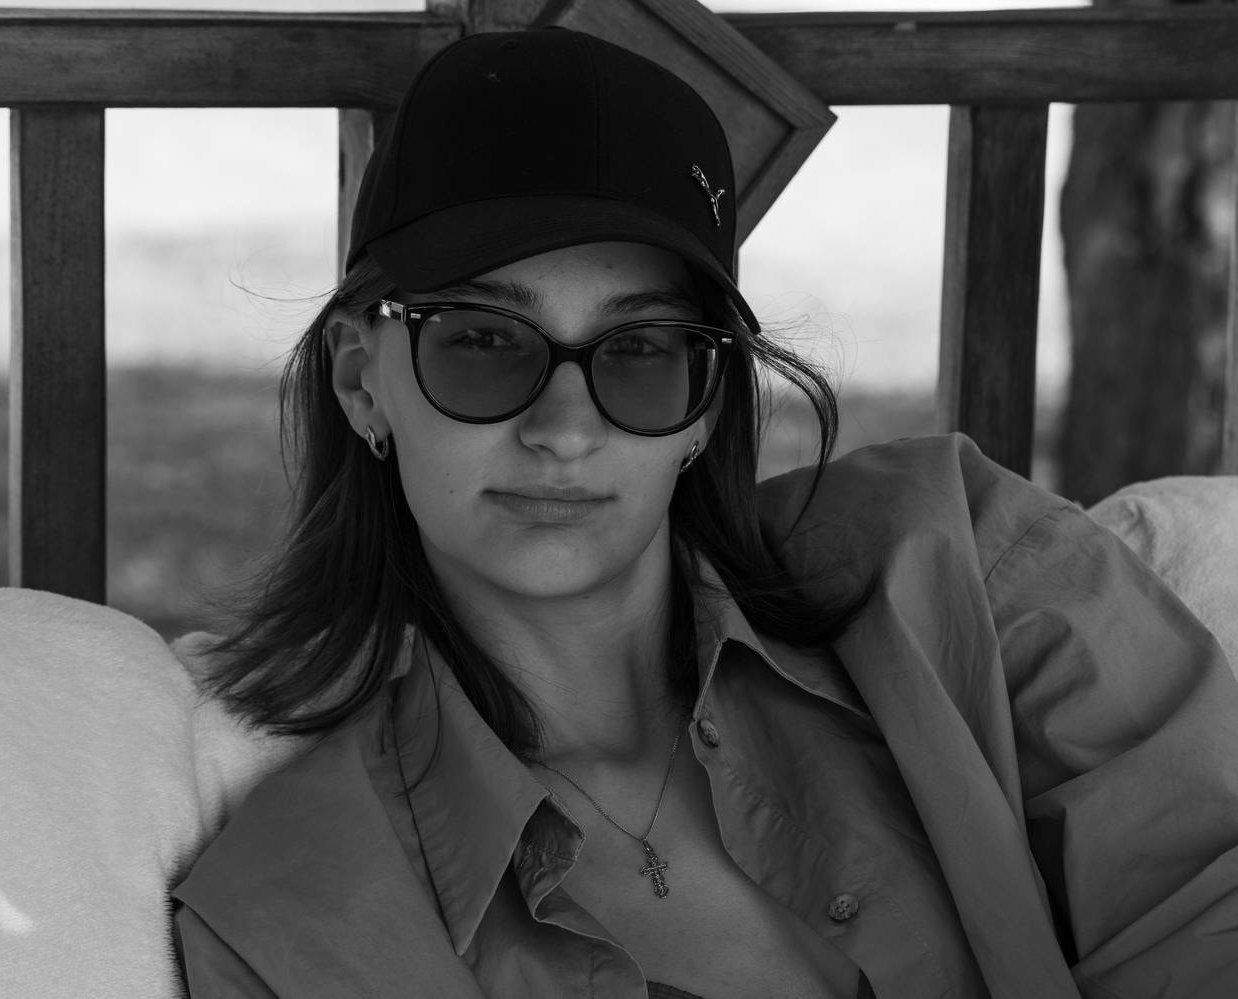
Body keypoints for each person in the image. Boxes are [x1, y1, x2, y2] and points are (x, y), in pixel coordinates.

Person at [171, 26, 1238, 999]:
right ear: (361, 380)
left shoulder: (965, 563)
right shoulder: (298, 919)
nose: (565, 429)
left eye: (641, 352)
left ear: (709, 399)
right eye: (483, 342)